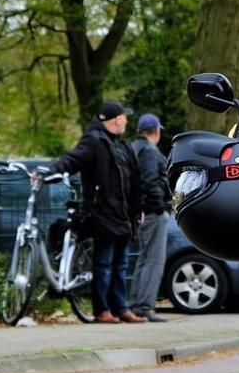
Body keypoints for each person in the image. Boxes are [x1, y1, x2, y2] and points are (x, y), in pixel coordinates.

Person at [45, 100, 144, 323]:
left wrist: (139, 209)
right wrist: (51, 172)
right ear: (117, 119)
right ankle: (102, 310)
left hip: (124, 214)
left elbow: (135, 181)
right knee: (105, 263)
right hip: (103, 213)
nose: (127, 121)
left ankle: (120, 307)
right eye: (124, 117)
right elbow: (73, 160)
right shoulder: (94, 142)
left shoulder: (123, 145)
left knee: (121, 263)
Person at [125, 113, 173, 322]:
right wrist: (160, 207)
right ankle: (144, 306)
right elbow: (150, 182)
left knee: (144, 259)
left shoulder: (134, 148)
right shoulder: (150, 151)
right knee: (153, 260)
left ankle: (136, 303)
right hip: (153, 213)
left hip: (140, 212)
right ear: (156, 131)